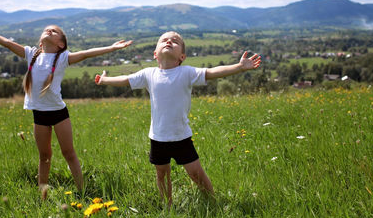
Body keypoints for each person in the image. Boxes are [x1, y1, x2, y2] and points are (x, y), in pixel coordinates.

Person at [95, 31, 260, 206]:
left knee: (196, 173)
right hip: (158, 138)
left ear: (182, 56)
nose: (168, 41)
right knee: (161, 174)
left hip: (181, 137)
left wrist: (239, 67)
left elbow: (213, 72)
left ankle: (213, 202)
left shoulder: (187, 73)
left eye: (175, 41)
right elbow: (125, 80)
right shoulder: (148, 74)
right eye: (164, 40)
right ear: (155, 54)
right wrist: (105, 80)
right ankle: (168, 206)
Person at [0, 25, 132, 199]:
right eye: (47, 30)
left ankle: (82, 191)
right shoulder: (32, 54)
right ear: (40, 41)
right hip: (39, 114)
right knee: (44, 155)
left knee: (69, 153)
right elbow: (8, 43)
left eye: (55, 32)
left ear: (61, 44)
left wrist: (112, 48)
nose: (49, 31)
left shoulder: (62, 58)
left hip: (59, 113)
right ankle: (42, 195)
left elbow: (86, 53)